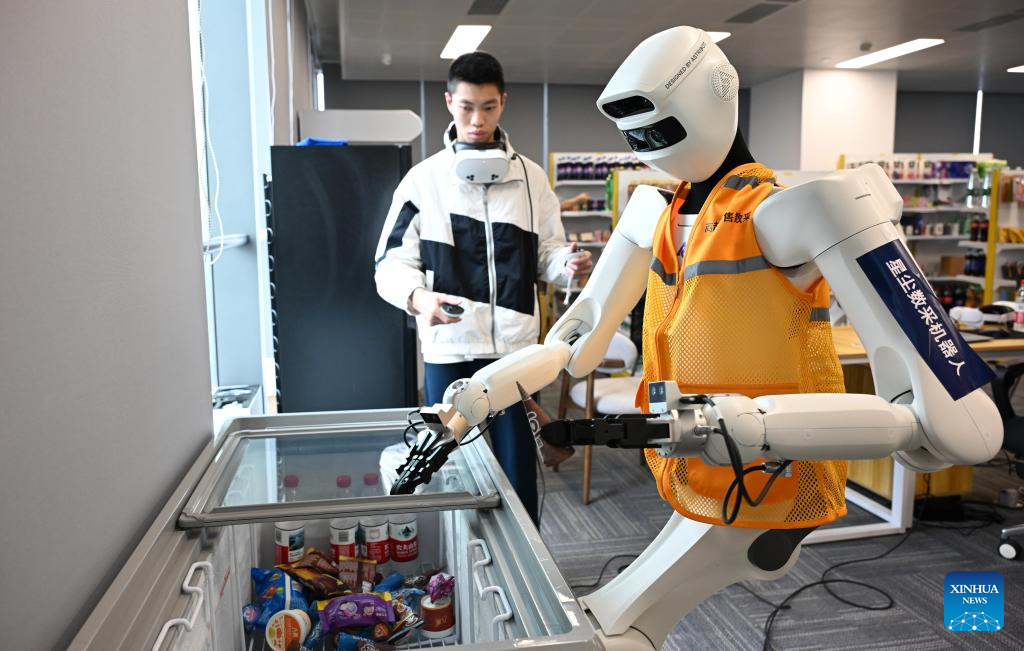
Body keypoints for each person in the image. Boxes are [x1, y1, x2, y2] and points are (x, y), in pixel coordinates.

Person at [374, 51, 592, 523]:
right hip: (449, 348)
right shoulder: (422, 181)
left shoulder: (531, 178)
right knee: (450, 469)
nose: (477, 120)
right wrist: (418, 297)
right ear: (448, 102)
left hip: (515, 352)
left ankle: (527, 558)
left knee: (519, 472)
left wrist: (568, 265)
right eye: (467, 107)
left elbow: (549, 252)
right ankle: (458, 555)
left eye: (489, 107)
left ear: (503, 103)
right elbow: (389, 264)